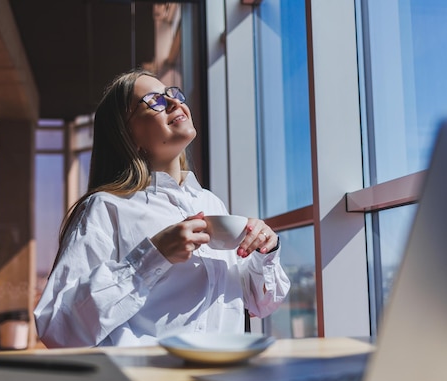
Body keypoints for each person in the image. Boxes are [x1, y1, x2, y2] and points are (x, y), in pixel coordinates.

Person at [34, 69, 290, 348]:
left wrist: (266, 250)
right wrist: (152, 257)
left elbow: (260, 304)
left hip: (220, 379)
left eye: (173, 94)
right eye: (154, 100)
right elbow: (56, 326)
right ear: (126, 135)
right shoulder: (105, 208)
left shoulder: (210, 203)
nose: (173, 102)